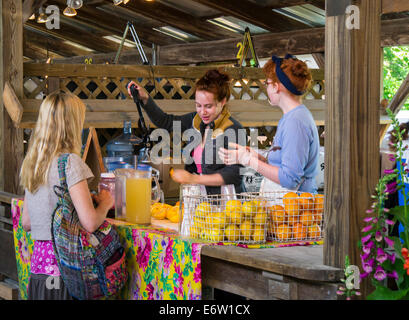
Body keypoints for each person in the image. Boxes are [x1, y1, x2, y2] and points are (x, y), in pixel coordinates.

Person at [20, 91, 114, 300]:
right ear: (72, 125)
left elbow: (26, 222)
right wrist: (106, 203)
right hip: (64, 275)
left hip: (38, 275)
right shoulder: (69, 162)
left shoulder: (33, 165)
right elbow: (90, 222)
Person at [127, 69, 246, 195]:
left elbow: (235, 175)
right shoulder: (195, 120)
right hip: (202, 200)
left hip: (229, 203)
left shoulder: (234, 129)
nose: (202, 112)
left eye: (208, 106)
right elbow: (165, 121)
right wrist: (145, 98)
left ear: (223, 102)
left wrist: (194, 179)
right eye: (198, 105)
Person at [219, 54, 320, 194]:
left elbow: (289, 179)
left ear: (276, 87)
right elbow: (283, 165)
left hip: (295, 210)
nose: (266, 88)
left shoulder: (295, 122)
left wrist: (249, 161)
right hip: (284, 209)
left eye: (267, 83)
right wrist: (258, 157)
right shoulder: (291, 117)